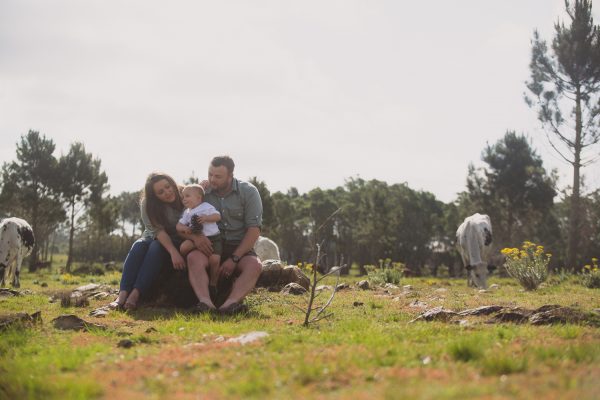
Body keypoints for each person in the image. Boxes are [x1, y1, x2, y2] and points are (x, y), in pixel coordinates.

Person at [187, 155, 263, 314]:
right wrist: (196, 191)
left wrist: (234, 258)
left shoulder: (249, 192)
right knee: (193, 258)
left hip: (239, 247)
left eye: (218, 176)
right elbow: (187, 216)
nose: (212, 180)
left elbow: (254, 230)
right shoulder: (202, 192)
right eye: (210, 174)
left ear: (230, 176)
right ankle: (205, 303)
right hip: (212, 244)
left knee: (255, 265)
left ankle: (229, 305)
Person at [110, 172, 187, 311]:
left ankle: (135, 294)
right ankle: (122, 295)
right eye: (160, 192)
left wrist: (205, 184)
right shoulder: (147, 204)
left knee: (156, 247)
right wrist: (173, 252)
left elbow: (201, 192)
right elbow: (157, 231)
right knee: (138, 246)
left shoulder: (185, 193)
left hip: (176, 239)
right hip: (153, 235)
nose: (167, 192)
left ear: (172, 183)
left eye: (168, 186)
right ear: (155, 196)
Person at [176, 184, 222, 290]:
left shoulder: (206, 206)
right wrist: (185, 228)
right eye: (183, 197)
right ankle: (184, 267)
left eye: (187, 196)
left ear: (198, 198)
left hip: (213, 238)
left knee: (215, 260)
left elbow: (218, 216)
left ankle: (213, 283)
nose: (184, 199)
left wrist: (207, 218)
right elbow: (178, 226)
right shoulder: (187, 212)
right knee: (183, 247)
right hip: (196, 237)